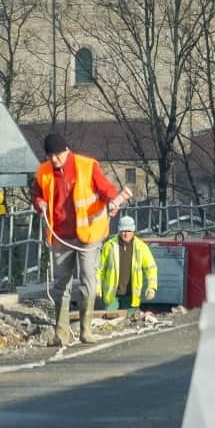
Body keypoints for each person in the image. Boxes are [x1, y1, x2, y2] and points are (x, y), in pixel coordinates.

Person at [31, 132, 131, 346]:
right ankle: (61, 333)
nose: (54, 160)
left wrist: (113, 201)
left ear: (66, 151)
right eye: (50, 156)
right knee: (61, 283)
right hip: (60, 235)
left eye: (57, 155)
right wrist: (39, 202)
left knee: (88, 279)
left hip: (88, 234)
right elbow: (36, 193)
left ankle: (86, 330)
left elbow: (106, 189)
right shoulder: (44, 172)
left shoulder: (87, 166)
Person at [98, 215, 158, 314]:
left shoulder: (141, 247)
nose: (125, 234)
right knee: (110, 321)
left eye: (128, 231)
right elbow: (100, 269)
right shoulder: (109, 246)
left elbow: (151, 268)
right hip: (112, 296)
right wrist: (97, 287)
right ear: (119, 231)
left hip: (131, 297)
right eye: (123, 231)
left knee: (128, 323)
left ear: (133, 231)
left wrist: (152, 287)